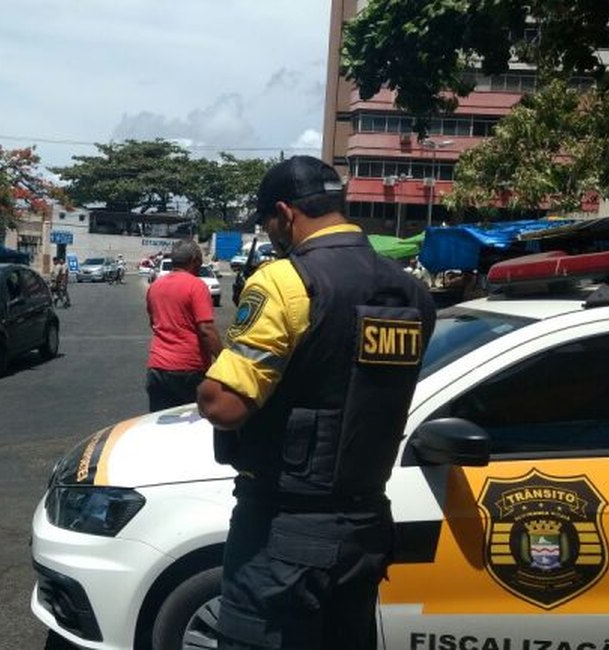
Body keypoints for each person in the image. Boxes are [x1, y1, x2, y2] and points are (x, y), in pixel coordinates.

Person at [196, 156, 437, 650]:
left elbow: (225, 405)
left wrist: (210, 376)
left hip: (284, 530)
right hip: (366, 527)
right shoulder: (411, 291)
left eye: (268, 223)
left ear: (284, 214)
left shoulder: (285, 281)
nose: (272, 232)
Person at [144, 239, 223, 412]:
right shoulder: (196, 286)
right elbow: (206, 329)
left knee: (162, 423)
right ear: (194, 259)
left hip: (157, 368)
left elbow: (154, 323)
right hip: (189, 369)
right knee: (193, 425)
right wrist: (224, 359)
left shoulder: (155, 287)